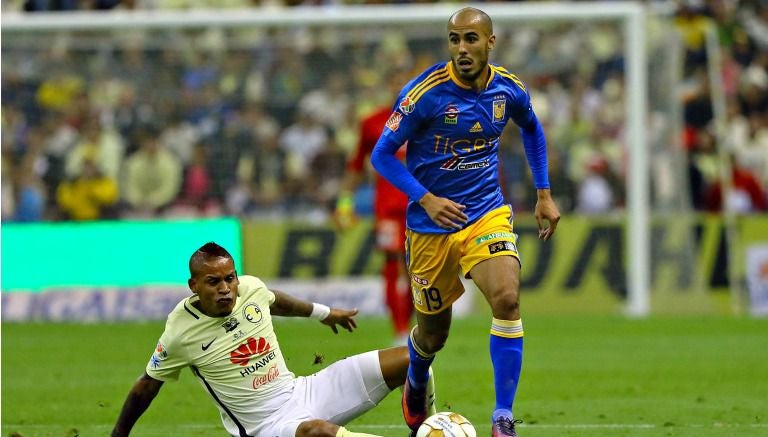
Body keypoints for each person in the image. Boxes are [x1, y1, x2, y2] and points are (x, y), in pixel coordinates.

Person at [370, 7, 561, 437]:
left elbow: (532, 127)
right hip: (429, 226)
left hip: (484, 213)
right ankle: (416, 379)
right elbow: (381, 155)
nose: (461, 48)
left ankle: (502, 417)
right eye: (454, 39)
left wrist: (544, 193)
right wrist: (427, 198)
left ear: (490, 42)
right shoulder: (424, 94)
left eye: (471, 39)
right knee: (433, 336)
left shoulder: (508, 89)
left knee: (508, 299)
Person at [111, 242, 434, 437]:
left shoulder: (250, 288)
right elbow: (146, 385)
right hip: (266, 427)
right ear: (193, 285)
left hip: (302, 391)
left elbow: (276, 300)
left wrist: (325, 313)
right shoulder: (180, 331)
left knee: (413, 361)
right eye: (213, 282)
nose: (225, 288)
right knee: (316, 431)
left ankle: (428, 426)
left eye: (229, 278)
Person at [334, 69, 413, 345]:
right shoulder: (372, 123)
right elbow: (355, 165)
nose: (399, 87)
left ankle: (410, 328)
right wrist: (345, 204)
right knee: (392, 265)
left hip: (423, 205)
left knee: (419, 268)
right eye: (394, 82)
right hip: (388, 209)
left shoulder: (427, 120)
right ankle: (400, 331)